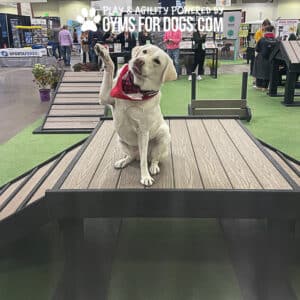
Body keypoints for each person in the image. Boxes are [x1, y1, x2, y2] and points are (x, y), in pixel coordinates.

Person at [253, 25, 278, 90]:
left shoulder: (262, 39)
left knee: (259, 72)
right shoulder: (276, 40)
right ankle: (265, 87)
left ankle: (259, 86)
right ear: (272, 31)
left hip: (261, 58)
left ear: (265, 31)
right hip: (272, 59)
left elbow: (257, 49)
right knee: (268, 72)